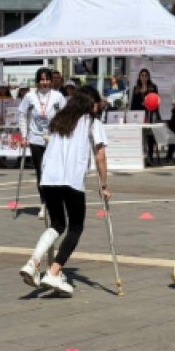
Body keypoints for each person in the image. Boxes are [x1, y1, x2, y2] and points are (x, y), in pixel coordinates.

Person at [18, 86, 109, 297]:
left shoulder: (59, 120)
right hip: (71, 181)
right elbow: (101, 154)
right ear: (91, 104)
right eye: (96, 104)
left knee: (57, 224)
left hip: (49, 179)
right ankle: (54, 271)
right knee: (75, 227)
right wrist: (104, 186)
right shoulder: (92, 122)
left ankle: (33, 262)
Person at [18, 68, 67, 222]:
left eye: (47, 80)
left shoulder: (58, 96)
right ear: (37, 81)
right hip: (36, 139)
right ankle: (44, 204)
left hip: (53, 139)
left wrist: (63, 133)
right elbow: (22, 115)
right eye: (41, 80)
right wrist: (24, 135)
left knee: (54, 172)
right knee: (41, 172)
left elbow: (65, 116)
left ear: (51, 81)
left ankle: (56, 203)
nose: (44, 83)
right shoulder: (30, 96)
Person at [131, 69, 161, 166]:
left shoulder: (153, 87)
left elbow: (156, 101)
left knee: (150, 136)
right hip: (140, 115)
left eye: (145, 75)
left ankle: (150, 156)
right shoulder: (136, 88)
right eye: (142, 75)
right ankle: (141, 156)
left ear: (148, 77)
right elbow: (133, 104)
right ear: (139, 77)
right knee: (140, 135)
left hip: (150, 115)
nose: (144, 77)